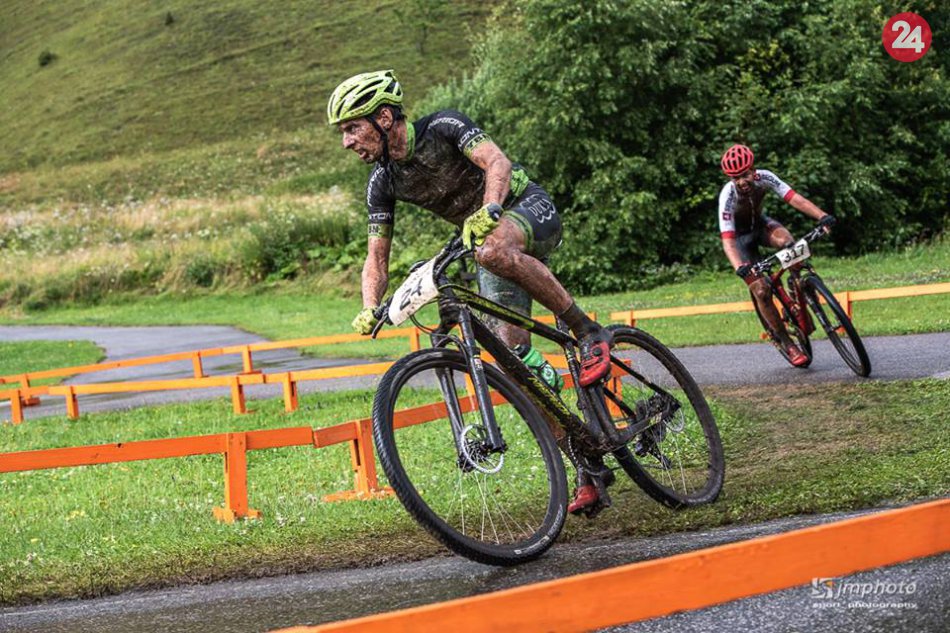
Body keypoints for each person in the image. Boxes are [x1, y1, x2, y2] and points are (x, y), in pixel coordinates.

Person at [328, 69, 611, 513]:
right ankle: (587, 466)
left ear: (383, 118)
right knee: (516, 364)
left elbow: (497, 163)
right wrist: (370, 305)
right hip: (485, 241)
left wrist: (491, 207)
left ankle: (587, 331)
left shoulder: (443, 126)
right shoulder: (383, 181)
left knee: (491, 250)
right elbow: (376, 257)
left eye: (352, 128)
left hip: (524, 208)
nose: (347, 142)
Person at [718, 144, 835, 365]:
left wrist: (822, 216)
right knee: (761, 290)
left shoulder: (765, 177)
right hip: (740, 240)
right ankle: (786, 342)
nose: (741, 181)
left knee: (790, 244)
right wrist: (739, 267)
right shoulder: (728, 195)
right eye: (735, 178)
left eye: (744, 175)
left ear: (753, 170)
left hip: (761, 227)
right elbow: (728, 241)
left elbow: (794, 198)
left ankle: (798, 289)